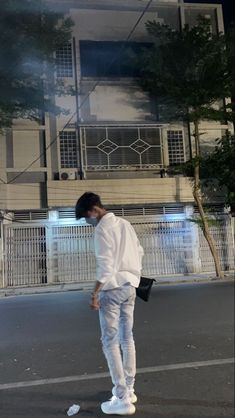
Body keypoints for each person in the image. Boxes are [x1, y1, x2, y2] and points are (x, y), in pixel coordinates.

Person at [75, 192, 144, 416]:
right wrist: (133, 276)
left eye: (86, 217)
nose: (87, 221)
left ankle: (122, 399)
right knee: (127, 337)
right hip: (131, 287)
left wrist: (95, 292)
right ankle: (130, 390)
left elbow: (105, 267)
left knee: (110, 342)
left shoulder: (102, 229)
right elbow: (140, 252)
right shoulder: (125, 223)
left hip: (112, 289)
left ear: (93, 211)